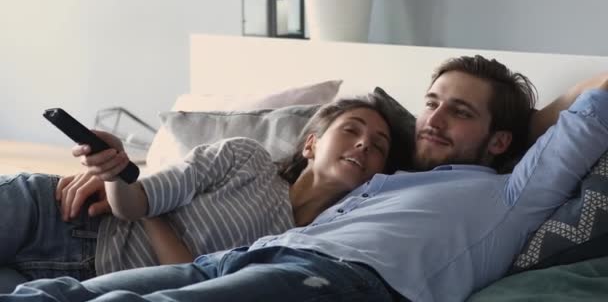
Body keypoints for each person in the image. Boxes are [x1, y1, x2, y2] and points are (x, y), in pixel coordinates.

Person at [4, 56, 608, 302]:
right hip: (258, 253)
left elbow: (589, 101)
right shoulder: (389, 177)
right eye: (431, 102)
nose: (434, 119)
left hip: (332, 280)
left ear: (503, 141)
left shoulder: (509, 190)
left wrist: (521, 124)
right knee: (67, 295)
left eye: (461, 111)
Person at [0, 95, 408, 285]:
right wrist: (115, 168)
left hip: (80, 283)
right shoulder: (246, 158)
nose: (363, 144)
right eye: (351, 130)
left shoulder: (297, 248)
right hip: (56, 213)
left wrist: (151, 212)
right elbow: (133, 201)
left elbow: (189, 280)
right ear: (311, 144)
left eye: (379, 146)